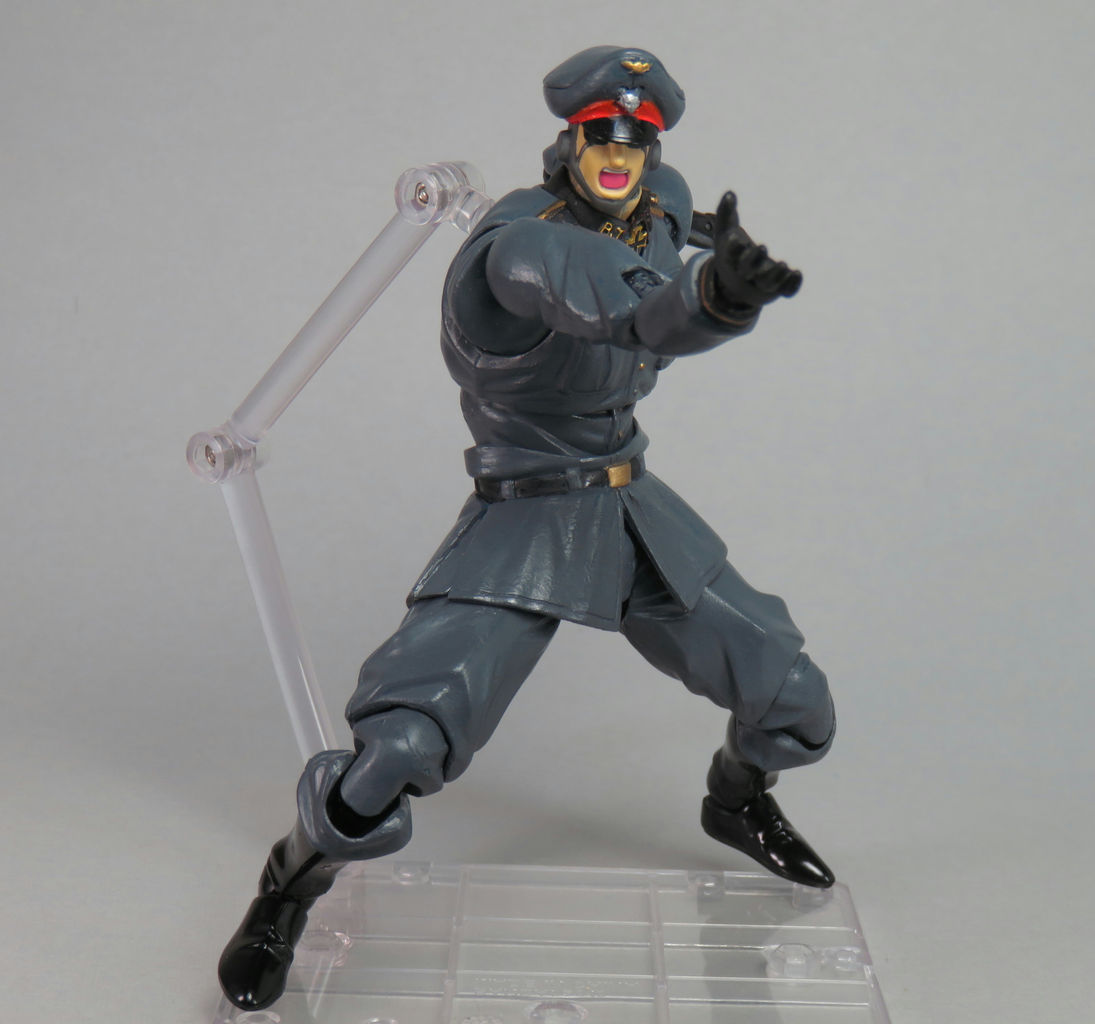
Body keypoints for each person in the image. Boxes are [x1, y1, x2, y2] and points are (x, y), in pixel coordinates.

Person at [218, 45, 837, 1012]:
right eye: (600, 139)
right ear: (567, 143)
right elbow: (630, 310)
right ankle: (288, 885)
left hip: (631, 507)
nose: (619, 158)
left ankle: (735, 799)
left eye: (634, 142)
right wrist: (712, 297)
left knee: (792, 695)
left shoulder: (653, 199)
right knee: (399, 749)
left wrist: (707, 237)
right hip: (528, 519)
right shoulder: (522, 246)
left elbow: (669, 216)